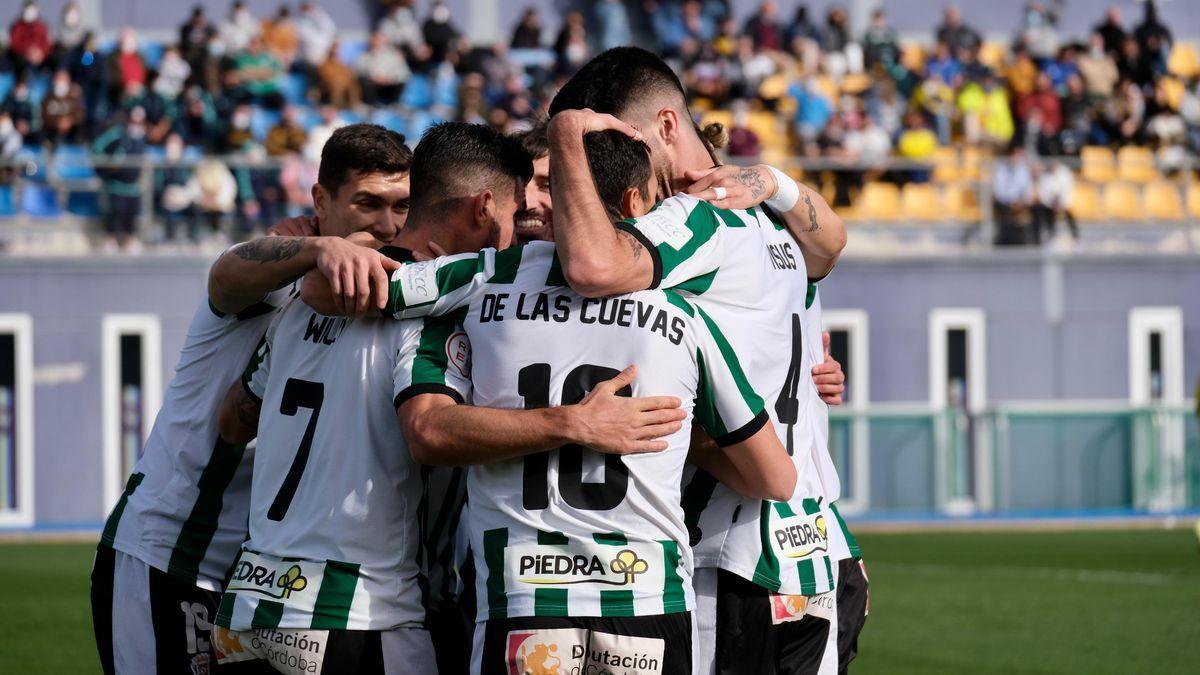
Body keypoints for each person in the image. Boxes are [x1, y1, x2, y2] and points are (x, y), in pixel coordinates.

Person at [214, 121, 687, 673]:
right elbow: (431, 431)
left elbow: (234, 419)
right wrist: (574, 422)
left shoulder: (304, 297)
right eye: (513, 216)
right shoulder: (440, 311)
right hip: (361, 614)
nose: (519, 233)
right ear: (484, 208)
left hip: (248, 606)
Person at [545, 47, 862, 675]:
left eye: (613, 147)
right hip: (821, 552)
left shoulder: (696, 220)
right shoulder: (770, 220)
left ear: (663, 129)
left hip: (735, 554)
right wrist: (775, 181)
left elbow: (592, 267)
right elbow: (830, 244)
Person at [90, 123, 415, 674]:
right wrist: (317, 247)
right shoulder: (277, 274)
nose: (385, 224)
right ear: (321, 201)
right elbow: (226, 272)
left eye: (400, 205)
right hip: (173, 550)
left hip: (262, 579)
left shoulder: (389, 286)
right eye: (367, 203)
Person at [992, 144, 1033, 246]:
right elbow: (999, 191)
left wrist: (1020, 201)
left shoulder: (1023, 170)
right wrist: (1011, 201)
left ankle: (1026, 240)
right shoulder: (1001, 170)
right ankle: (1004, 240)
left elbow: (1028, 191)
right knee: (1005, 212)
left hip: (1020, 203)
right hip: (1005, 203)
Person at [357, 31, 408, 105]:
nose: (376, 42)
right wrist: (373, 78)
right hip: (372, 87)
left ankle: (393, 105)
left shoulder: (394, 56)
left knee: (400, 83)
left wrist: (390, 79)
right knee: (363, 82)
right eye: (374, 39)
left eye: (379, 40)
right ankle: (371, 105)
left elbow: (404, 73)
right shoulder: (364, 57)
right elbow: (358, 72)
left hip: (389, 87)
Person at [1032, 160, 1077, 244]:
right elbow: (1043, 194)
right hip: (1050, 205)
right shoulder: (1044, 176)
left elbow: (1069, 191)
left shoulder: (1065, 173)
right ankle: (1049, 236)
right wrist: (1052, 204)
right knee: (1043, 212)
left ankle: (1075, 237)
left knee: (1070, 213)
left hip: (1063, 203)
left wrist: (1061, 203)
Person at [40, 69, 84, 146]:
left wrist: (69, 121)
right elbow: (43, 115)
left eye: (63, 79)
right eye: (58, 79)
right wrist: (58, 122)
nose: (60, 82)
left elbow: (80, 114)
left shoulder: (74, 97)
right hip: (51, 132)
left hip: (71, 134)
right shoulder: (47, 97)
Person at [8, 1, 52, 77]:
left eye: (32, 11)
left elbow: (47, 44)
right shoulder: (17, 26)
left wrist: (41, 54)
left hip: (40, 59)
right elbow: (14, 43)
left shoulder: (43, 26)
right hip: (22, 60)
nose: (29, 13)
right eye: (27, 10)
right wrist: (28, 52)